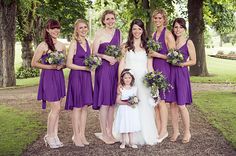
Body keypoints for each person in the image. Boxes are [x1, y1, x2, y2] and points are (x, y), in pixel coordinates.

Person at [119, 19, 158, 145]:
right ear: (131, 30)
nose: (137, 31)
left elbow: (150, 66)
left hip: (144, 80)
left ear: (143, 31)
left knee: (144, 106)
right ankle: (129, 138)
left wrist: (153, 83)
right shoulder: (125, 46)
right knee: (130, 108)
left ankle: (145, 134)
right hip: (129, 81)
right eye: (134, 28)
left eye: (139, 29)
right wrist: (120, 82)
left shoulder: (148, 47)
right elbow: (122, 64)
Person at [31, 19, 66, 148]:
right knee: (55, 108)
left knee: (58, 109)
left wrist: (61, 65)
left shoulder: (62, 45)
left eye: (57, 28)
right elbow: (34, 63)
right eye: (53, 28)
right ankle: (49, 136)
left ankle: (55, 135)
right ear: (47, 30)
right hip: (48, 78)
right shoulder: (43, 45)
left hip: (59, 77)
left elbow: (64, 63)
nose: (56, 31)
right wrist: (50, 67)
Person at [92, 10, 122, 144]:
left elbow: (121, 51)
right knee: (105, 102)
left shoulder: (119, 33)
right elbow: (94, 53)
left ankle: (110, 132)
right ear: (103, 21)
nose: (110, 21)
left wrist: (117, 59)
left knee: (112, 102)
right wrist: (106, 56)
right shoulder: (99, 33)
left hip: (115, 68)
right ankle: (104, 133)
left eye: (112, 18)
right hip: (103, 69)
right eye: (108, 19)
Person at [65, 19, 93, 147]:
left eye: (85, 27)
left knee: (84, 107)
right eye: (80, 28)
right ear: (76, 29)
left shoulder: (88, 43)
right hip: (76, 76)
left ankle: (82, 134)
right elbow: (68, 64)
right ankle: (75, 136)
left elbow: (90, 60)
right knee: (77, 106)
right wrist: (83, 68)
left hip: (86, 77)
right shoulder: (74, 43)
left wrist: (92, 65)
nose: (83, 30)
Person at [150, 8, 176, 142]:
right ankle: (159, 129)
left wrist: (157, 54)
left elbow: (173, 57)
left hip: (165, 70)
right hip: (155, 70)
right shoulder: (154, 34)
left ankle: (164, 130)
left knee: (163, 101)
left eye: (160, 18)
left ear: (164, 19)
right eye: (155, 18)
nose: (157, 20)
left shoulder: (168, 34)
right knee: (156, 101)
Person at [169, 18, 196, 143]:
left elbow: (194, 61)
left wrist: (182, 64)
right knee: (173, 105)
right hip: (171, 74)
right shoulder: (171, 41)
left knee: (181, 105)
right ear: (173, 28)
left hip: (182, 74)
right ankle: (175, 131)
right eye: (175, 27)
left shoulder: (188, 42)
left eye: (180, 27)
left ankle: (187, 132)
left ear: (184, 28)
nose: (178, 29)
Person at [114, 69, 141, 149]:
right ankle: (123, 142)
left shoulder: (135, 88)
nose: (127, 79)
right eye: (125, 78)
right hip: (123, 109)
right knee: (124, 125)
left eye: (129, 78)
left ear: (132, 78)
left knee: (131, 126)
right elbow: (117, 100)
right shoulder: (121, 88)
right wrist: (126, 103)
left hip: (132, 110)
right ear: (122, 79)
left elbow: (137, 99)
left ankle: (131, 142)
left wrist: (135, 102)